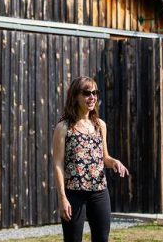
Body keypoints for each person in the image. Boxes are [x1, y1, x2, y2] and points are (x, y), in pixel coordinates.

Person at [51, 76, 129, 242]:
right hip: (74, 193)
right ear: (75, 96)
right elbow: (57, 164)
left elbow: (104, 158)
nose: (92, 97)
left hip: (99, 192)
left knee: (102, 238)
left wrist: (114, 162)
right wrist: (62, 198)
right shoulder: (64, 127)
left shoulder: (100, 125)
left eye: (95, 92)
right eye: (87, 93)